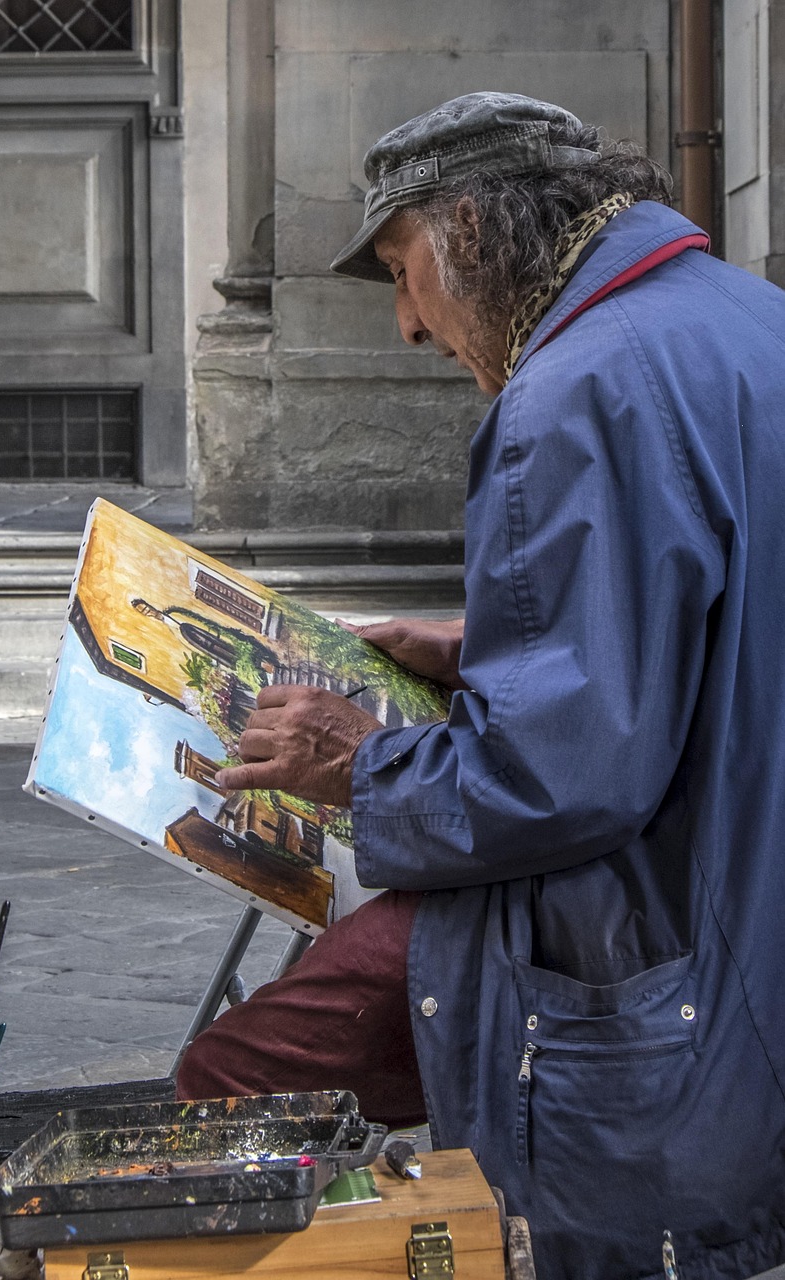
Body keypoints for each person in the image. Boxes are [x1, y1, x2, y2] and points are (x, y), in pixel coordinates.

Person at [176, 92, 785, 1280]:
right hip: (744, 861)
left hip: (651, 908)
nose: (406, 324)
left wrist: (361, 760)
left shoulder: (571, 392)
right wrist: (488, 640)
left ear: (470, 226)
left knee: (232, 1076)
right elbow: (714, 603)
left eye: (404, 274)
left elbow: (566, 775)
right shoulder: (743, 317)